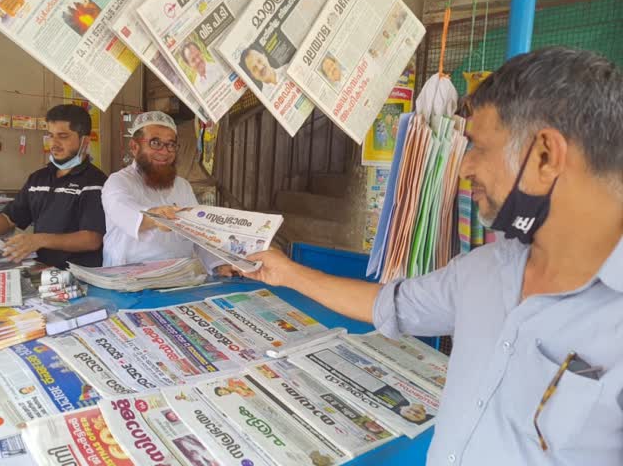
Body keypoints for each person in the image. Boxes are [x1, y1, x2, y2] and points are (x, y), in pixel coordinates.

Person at [244, 47, 623, 465]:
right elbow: (389, 305)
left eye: (477, 146)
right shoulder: (484, 270)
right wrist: (288, 273)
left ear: (545, 155)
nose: (464, 167)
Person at [0, 104, 106, 268]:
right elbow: (9, 218)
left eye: (63, 136)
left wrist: (39, 240)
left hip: (81, 277)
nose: (54, 143)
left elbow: (92, 239)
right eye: (50, 135)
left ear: (85, 141)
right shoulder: (38, 179)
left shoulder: (95, 182)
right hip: (42, 272)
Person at [100, 111, 228, 274]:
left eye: (171, 144)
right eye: (155, 143)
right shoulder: (118, 182)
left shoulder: (182, 186)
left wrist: (219, 263)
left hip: (178, 279)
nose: (165, 152)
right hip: (127, 281)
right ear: (134, 147)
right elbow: (125, 212)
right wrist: (156, 217)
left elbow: (198, 235)